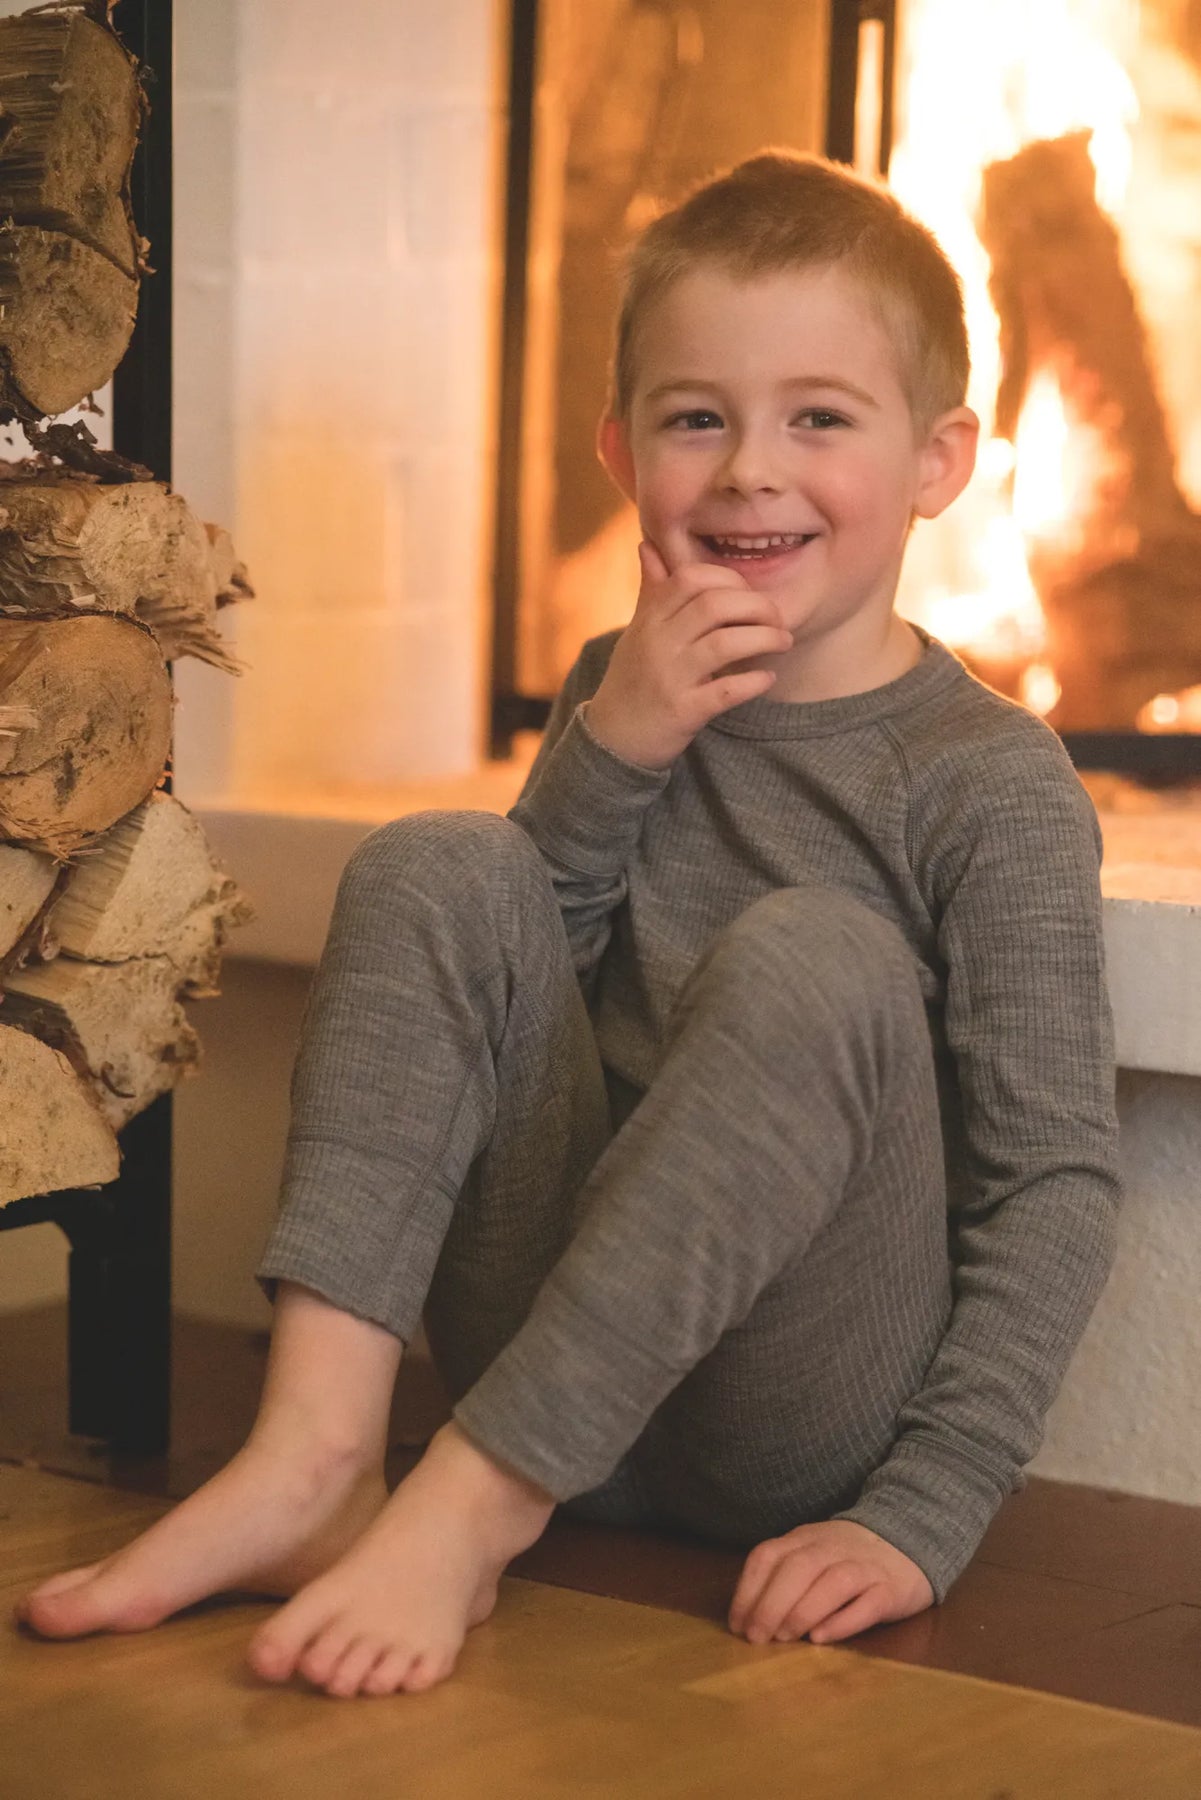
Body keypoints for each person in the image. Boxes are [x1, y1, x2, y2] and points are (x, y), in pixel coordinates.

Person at [16, 150, 1121, 1700]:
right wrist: (620, 747)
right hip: (547, 1354)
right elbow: (492, 999)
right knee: (439, 863)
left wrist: (922, 1515)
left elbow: (1051, 1182)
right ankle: (314, 1457)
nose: (748, 470)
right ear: (620, 448)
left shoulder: (988, 781)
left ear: (938, 461)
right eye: (696, 418)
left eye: (817, 418)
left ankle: (468, 1510)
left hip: (783, 1420)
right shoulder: (616, 682)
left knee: (815, 954)